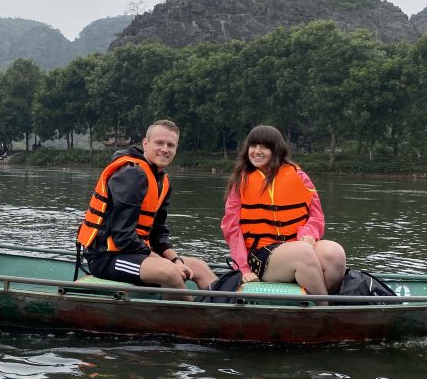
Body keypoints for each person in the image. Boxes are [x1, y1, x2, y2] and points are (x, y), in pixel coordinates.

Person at [77, 119, 215, 297]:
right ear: (145, 144)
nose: (165, 149)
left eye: (171, 145)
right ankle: (194, 320)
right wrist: (168, 264)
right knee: (170, 272)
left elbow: (158, 233)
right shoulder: (131, 173)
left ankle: (223, 310)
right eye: (159, 143)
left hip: (135, 252)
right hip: (107, 257)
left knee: (199, 267)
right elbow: (122, 237)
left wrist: (176, 259)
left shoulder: (162, 181)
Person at [221, 125, 346, 303]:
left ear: (276, 150)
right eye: (253, 145)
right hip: (259, 257)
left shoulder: (299, 176)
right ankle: (324, 309)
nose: (257, 151)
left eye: (264, 147)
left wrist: (308, 234)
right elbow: (231, 229)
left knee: (335, 254)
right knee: (302, 253)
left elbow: (317, 216)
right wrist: (244, 269)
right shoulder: (240, 183)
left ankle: (310, 299)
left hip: (297, 248)